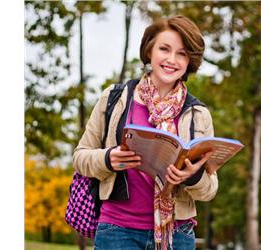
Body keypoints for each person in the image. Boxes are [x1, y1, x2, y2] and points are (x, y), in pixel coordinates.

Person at [73, 15, 219, 250]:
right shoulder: (114, 98)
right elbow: (80, 158)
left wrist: (192, 176)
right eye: (164, 49)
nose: (172, 60)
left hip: (177, 235)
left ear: (190, 60)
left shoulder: (198, 114)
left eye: (182, 53)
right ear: (149, 50)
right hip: (117, 231)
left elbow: (210, 189)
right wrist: (108, 159)